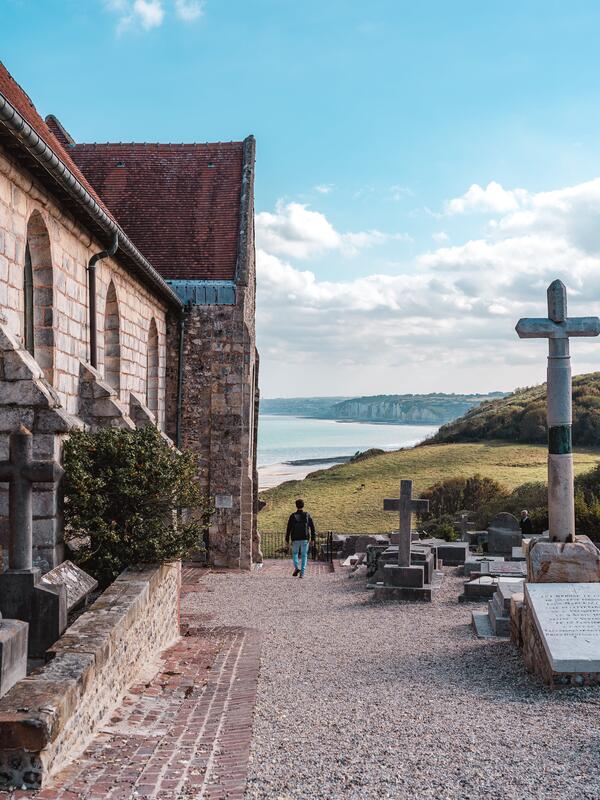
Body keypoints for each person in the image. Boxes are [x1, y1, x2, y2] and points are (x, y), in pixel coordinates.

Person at [285, 498, 316, 578]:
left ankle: (296, 567)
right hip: (305, 538)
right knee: (304, 555)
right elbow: (312, 528)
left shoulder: (292, 516)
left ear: (296, 506)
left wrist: (287, 540)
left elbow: (288, 528)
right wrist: (313, 539)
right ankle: (302, 572)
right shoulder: (307, 515)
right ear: (303, 505)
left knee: (295, 554)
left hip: (295, 538)